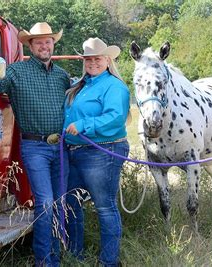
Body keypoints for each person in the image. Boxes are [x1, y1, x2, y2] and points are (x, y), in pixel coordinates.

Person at [0, 22, 70, 267]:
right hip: (35, 147)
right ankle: (45, 261)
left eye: (48, 41)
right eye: (38, 42)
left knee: (61, 201)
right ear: (30, 45)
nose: (44, 45)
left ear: (53, 44)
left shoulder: (62, 76)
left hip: (60, 147)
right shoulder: (17, 71)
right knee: (45, 203)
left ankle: (58, 255)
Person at [64, 37, 130, 266]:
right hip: (75, 151)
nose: (92, 62)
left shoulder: (115, 86)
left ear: (107, 60)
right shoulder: (81, 86)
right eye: (88, 59)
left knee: (104, 206)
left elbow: (116, 117)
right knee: (71, 202)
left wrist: (83, 125)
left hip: (102, 150)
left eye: (97, 58)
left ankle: (109, 261)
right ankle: (75, 254)